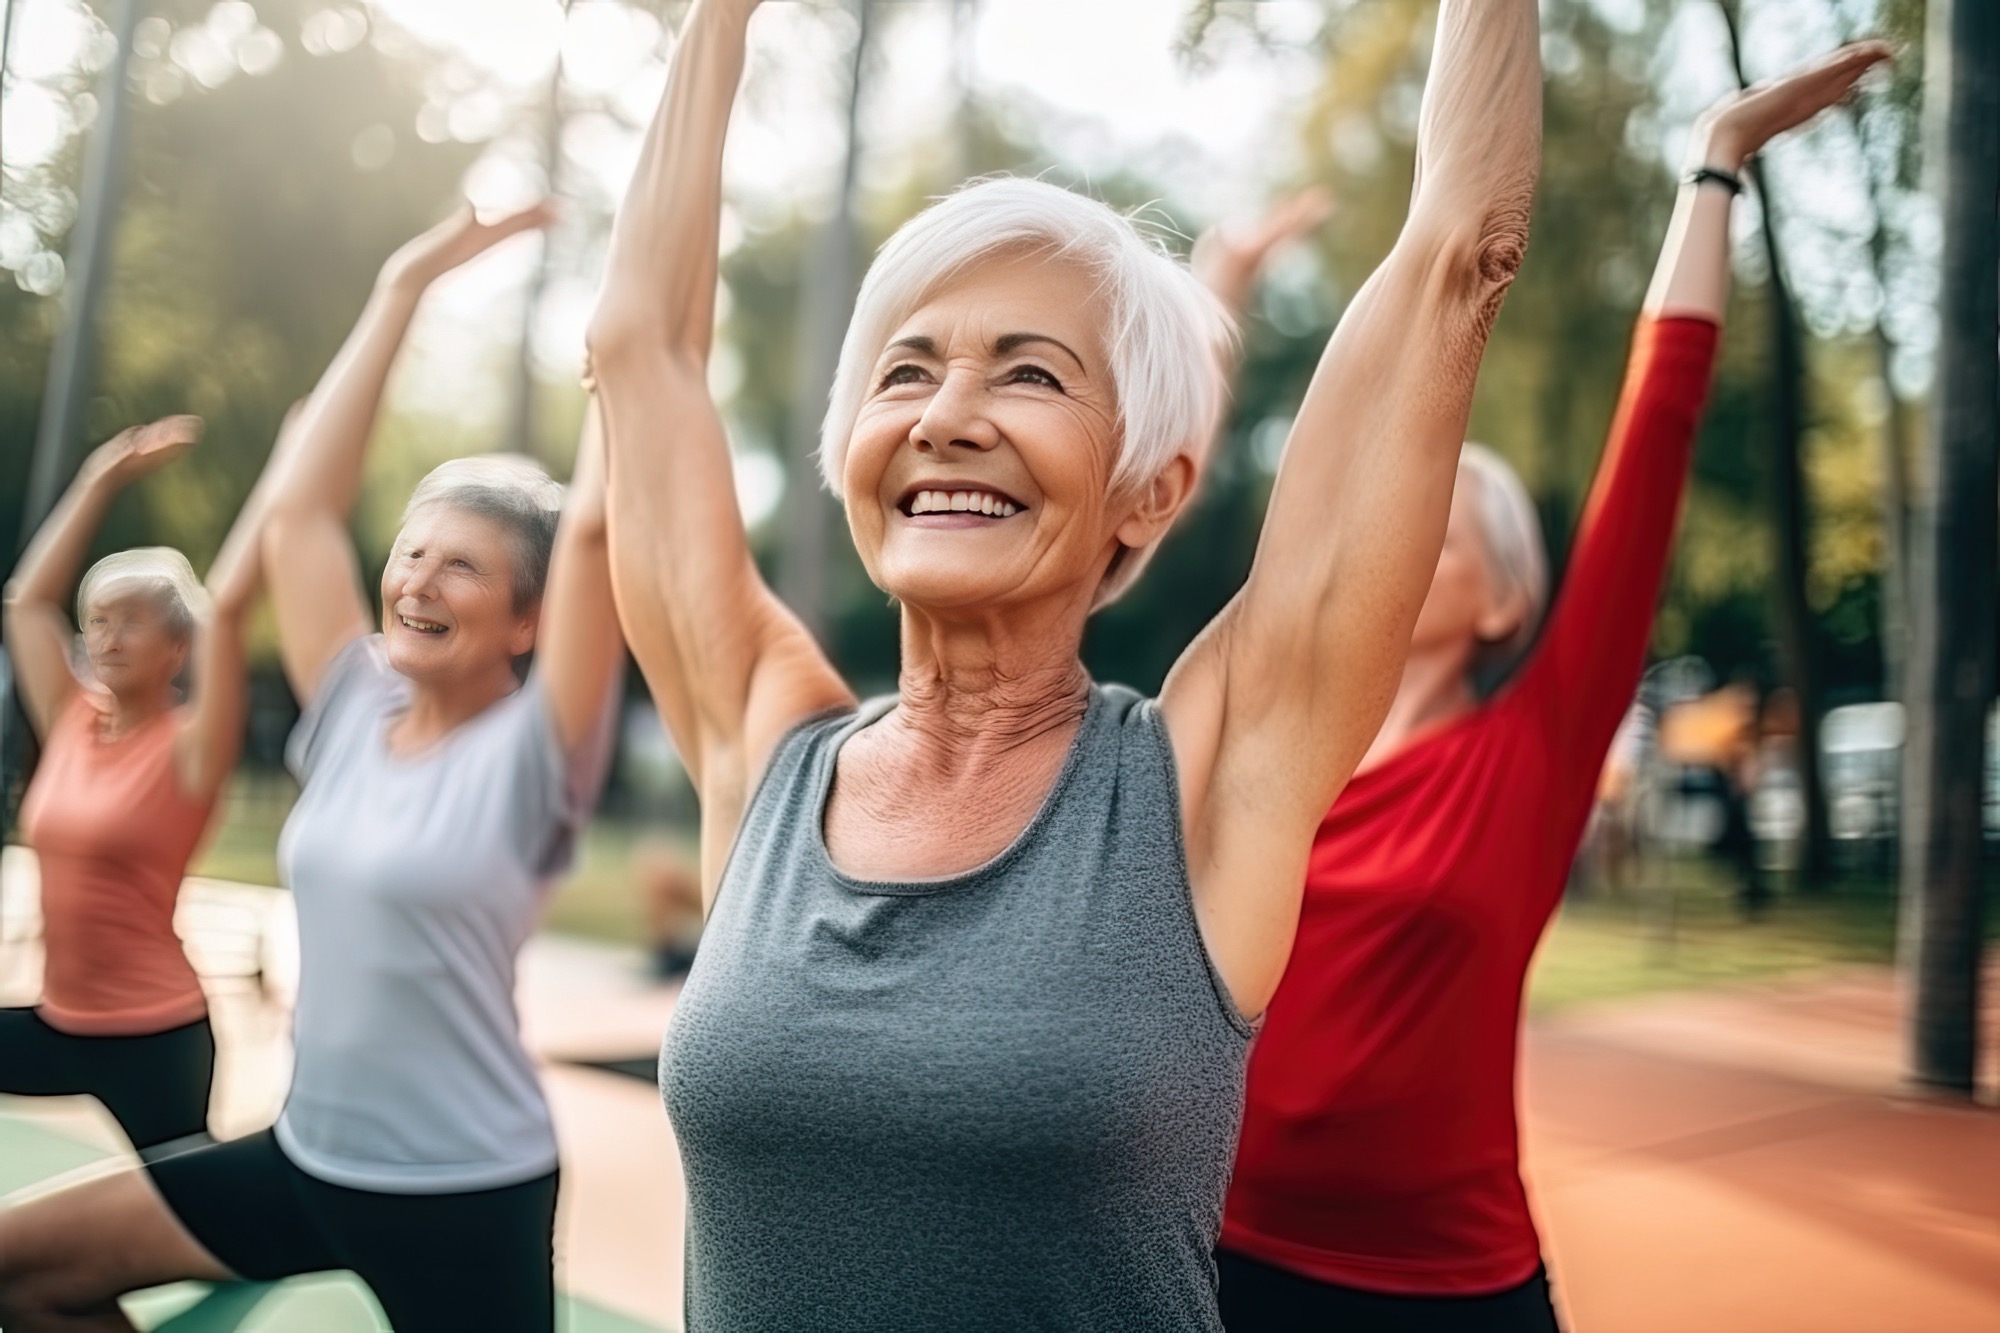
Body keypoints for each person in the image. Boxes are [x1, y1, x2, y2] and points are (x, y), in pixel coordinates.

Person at [587, 0, 1539, 1327]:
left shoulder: (1202, 777)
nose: (949, 417)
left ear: (1150, 490)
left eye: (1029, 375)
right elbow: (640, 350)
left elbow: (1459, 254)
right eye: (905, 373)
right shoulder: (762, 744)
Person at [1215, 42, 1893, 1333]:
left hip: (1446, 1290)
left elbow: (1655, 437)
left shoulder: (1532, 749)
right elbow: (1202, 483)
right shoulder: (1270, 735)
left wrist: (1714, 163)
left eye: (1442, 526)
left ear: (1506, 596)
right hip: (1223, 1259)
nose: (1397, 538)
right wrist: (1221, 292)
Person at [0, 205, 623, 1333]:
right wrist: (400, 289)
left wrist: (619, 378)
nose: (420, 581)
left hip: (460, 1191)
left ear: (528, 622)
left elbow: (591, 539)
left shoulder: (536, 750)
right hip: (304, 1153)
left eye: (464, 569)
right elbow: (299, 513)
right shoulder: (351, 703)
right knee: (22, 1268)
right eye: (411, 554)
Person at [1, 414, 257, 1158]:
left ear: (180, 644)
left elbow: (223, 631)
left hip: (157, 1034)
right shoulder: (70, 718)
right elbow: (25, 602)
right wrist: (102, 477)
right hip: (58, 1021)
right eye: (97, 621)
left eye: (132, 621)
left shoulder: (191, 748)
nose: (107, 636)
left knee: (200, 1233)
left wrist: (187, 597)